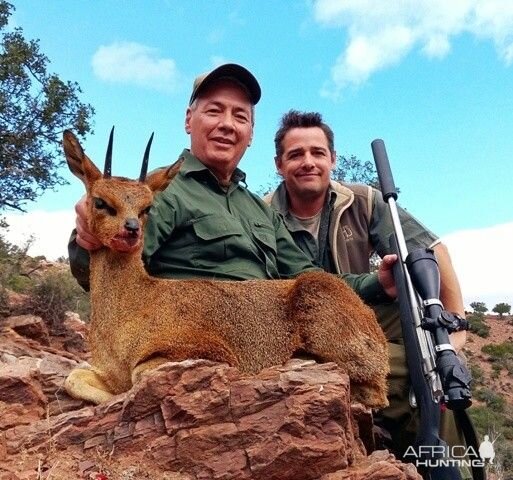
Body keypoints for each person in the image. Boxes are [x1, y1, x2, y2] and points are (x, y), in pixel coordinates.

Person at [68, 64, 396, 313]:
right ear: (188, 120)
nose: (227, 124)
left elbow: (312, 279)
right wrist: (90, 236)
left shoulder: (259, 210)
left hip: (271, 333)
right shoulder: (159, 192)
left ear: (250, 134)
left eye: (240, 116)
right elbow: (111, 264)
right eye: (214, 110)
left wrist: (376, 282)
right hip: (197, 336)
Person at [265, 109, 469, 460]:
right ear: (279, 165)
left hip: (363, 312)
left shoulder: (364, 199)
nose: (308, 162)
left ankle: (437, 461)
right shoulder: (262, 214)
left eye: (317, 153)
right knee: (406, 371)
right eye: (295, 155)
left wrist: (454, 333)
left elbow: (432, 252)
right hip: (300, 328)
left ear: (332, 158)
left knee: (435, 369)